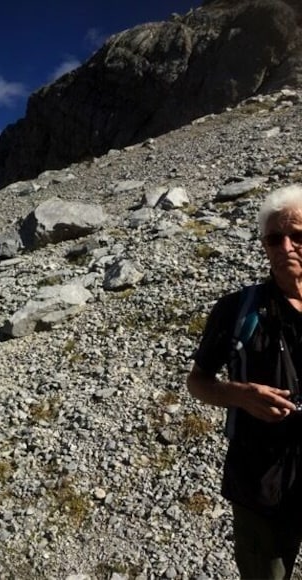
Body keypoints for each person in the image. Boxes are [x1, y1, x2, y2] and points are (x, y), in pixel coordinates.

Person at [188, 184, 302, 579]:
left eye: (297, 236)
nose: (286, 247)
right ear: (265, 246)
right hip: (259, 482)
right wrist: (239, 394)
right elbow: (198, 381)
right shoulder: (238, 309)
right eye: (275, 239)